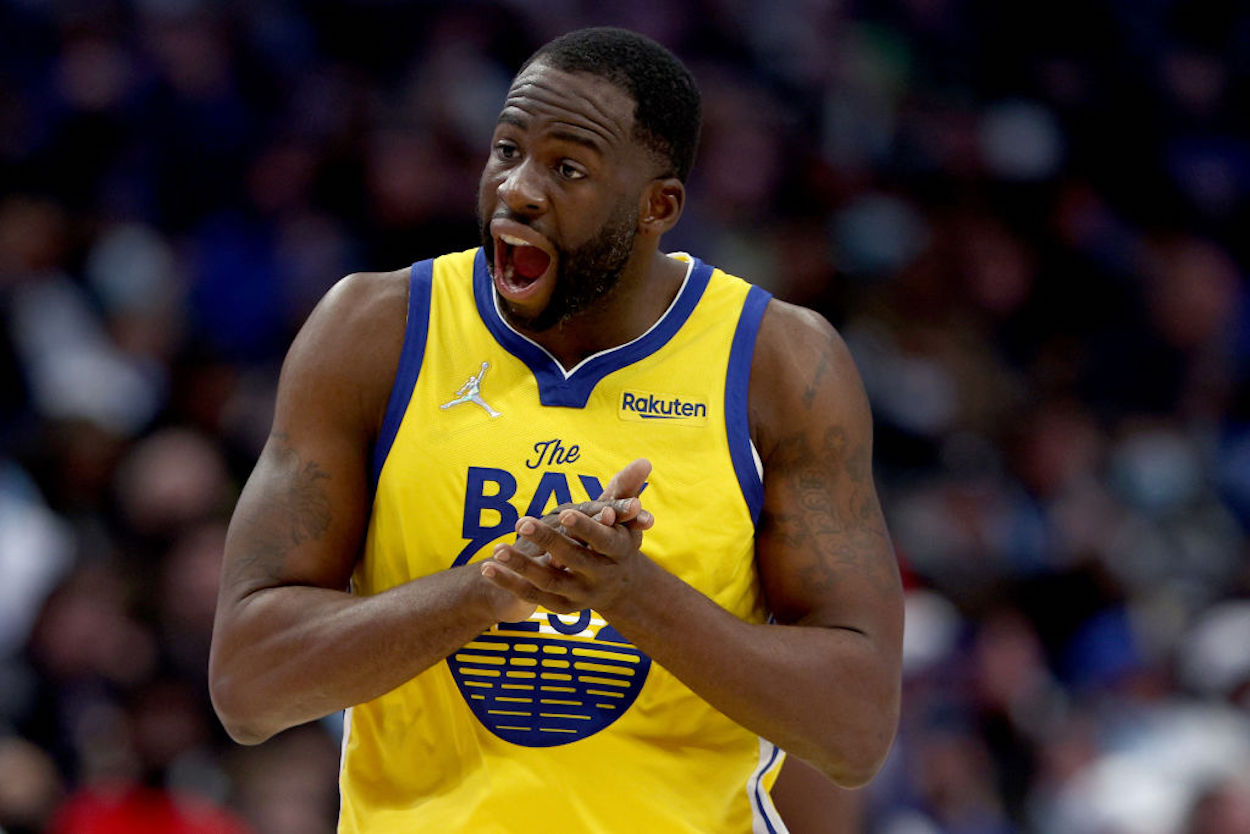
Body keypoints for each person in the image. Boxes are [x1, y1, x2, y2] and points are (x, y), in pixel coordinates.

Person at [208, 26, 903, 833]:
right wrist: (490, 588)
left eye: (567, 167)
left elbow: (856, 729)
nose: (519, 190)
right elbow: (248, 686)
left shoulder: (780, 364)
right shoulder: (375, 331)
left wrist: (628, 593)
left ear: (658, 207)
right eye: (507, 150)